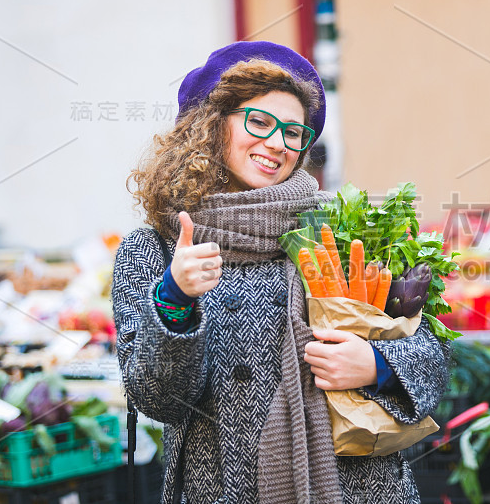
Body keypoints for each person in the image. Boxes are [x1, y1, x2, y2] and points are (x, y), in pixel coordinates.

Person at [112, 41, 450, 504]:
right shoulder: (153, 248)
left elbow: (432, 359)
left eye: (295, 132)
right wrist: (176, 296)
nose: (277, 144)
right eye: (260, 122)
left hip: (361, 489)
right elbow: (157, 400)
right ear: (211, 125)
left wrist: (376, 366)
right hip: (223, 489)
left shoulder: (341, 226)